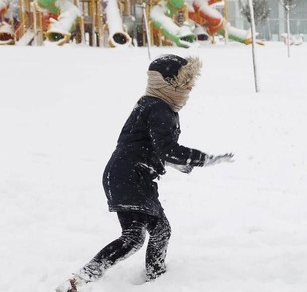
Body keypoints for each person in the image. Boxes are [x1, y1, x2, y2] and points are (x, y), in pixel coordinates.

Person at [56, 54, 234, 292]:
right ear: (170, 82)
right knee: (134, 237)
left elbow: (146, 145)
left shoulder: (152, 104)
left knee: (159, 231)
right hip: (130, 176)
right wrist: (204, 159)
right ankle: (81, 280)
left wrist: (174, 163)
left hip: (129, 175)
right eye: (186, 81)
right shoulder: (158, 107)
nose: (190, 87)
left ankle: (156, 277)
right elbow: (167, 149)